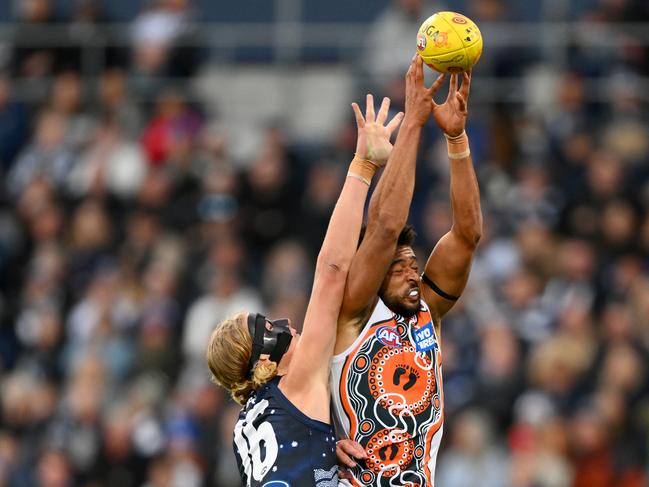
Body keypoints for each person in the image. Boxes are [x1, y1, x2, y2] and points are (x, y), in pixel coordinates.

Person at [205, 95, 404, 486]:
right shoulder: (295, 384)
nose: (282, 323)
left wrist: (334, 441)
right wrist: (363, 165)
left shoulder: (244, 426)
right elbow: (331, 272)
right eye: (266, 328)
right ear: (262, 364)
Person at [332, 55, 483, 486]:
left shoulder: (427, 313)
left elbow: (467, 235)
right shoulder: (353, 312)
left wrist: (456, 139)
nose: (412, 271)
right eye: (397, 267)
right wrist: (413, 124)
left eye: (413, 264)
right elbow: (384, 227)